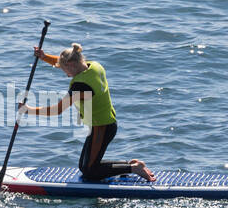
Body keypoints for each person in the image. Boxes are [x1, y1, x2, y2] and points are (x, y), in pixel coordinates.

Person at [15, 42, 156, 182]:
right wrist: (44, 57)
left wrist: (28, 110)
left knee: (90, 171)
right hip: (104, 124)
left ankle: (133, 169)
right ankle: (131, 165)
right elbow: (65, 62)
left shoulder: (80, 86)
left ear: (71, 65)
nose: (66, 75)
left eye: (65, 70)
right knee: (85, 166)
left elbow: (57, 110)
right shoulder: (93, 66)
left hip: (102, 127)